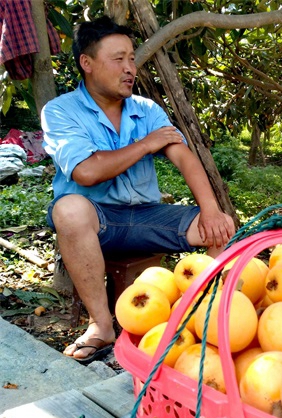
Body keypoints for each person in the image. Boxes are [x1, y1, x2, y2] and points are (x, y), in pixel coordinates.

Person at [41, 16, 236, 364]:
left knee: (221, 228)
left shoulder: (146, 109)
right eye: (118, 59)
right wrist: (146, 145)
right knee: (68, 209)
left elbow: (183, 157)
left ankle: (213, 325)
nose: (130, 68)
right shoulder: (60, 111)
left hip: (146, 217)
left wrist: (209, 209)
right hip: (97, 221)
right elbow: (86, 171)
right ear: (87, 63)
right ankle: (101, 326)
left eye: (131, 58)